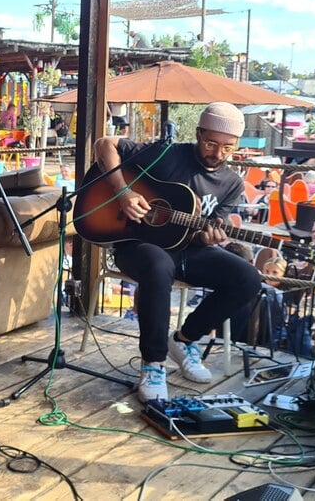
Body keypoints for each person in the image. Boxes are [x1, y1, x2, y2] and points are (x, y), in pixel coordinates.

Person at [93, 101, 262, 403]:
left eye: (228, 148)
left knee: (247, 277)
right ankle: (153, 364)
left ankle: (184, 340)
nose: (218, 154)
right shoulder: (167, 154)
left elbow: (206, 231)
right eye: (211, 143)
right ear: (198, 133)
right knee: (159, 266)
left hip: (188, 250)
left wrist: (209, 238)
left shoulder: (233, 183)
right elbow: (104, 144)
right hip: (137, 243)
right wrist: (123, 193)